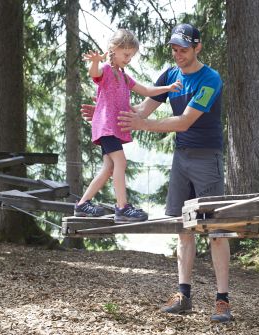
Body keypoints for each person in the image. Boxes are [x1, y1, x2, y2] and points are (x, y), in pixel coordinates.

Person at [82, 23, 233, 323]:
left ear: (197, 48)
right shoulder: (170, 75)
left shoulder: (210, 79)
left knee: (215, 231)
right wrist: (104, 110)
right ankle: (183, 295)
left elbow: (185, 121)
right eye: (174, 49)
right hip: (181, 160)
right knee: (182, 228)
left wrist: (144, 125)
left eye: (184, 50)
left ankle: (222, 300)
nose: (178, 55)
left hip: (207, 159)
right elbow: (140, 110)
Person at [74, 29, 182, 223]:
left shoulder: (124, 77)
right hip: (106, 127)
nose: (128, 59)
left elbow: (146, 90)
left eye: (131, 56)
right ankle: (122, 207)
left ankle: (82, 204)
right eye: (126, 55)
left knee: (109, 168)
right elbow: (94, 73)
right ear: (113, 50)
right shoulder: (106, 70)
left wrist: (167, 88)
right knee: (120, 162)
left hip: (113, 128)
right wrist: (96, 60)